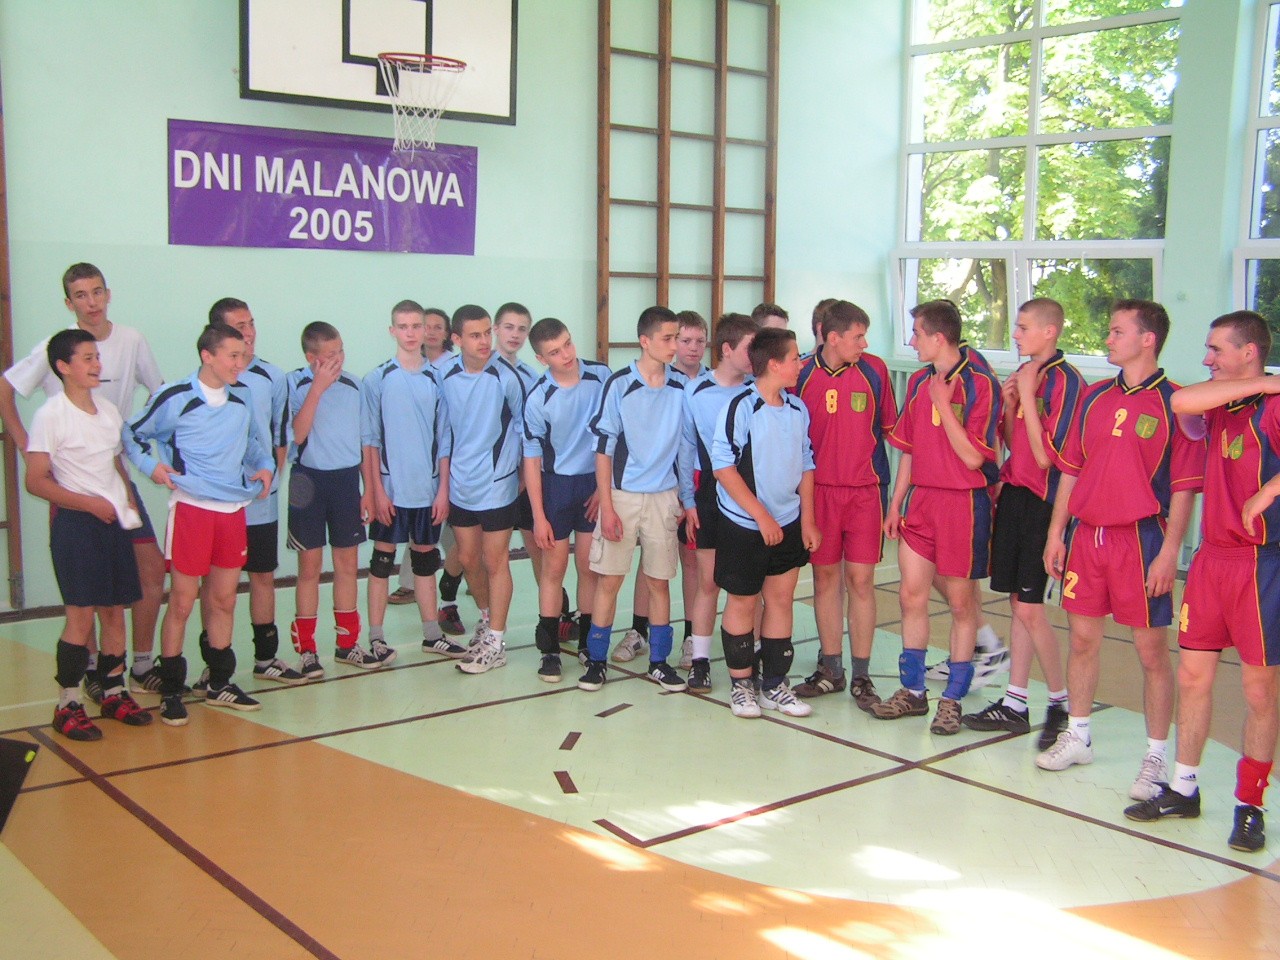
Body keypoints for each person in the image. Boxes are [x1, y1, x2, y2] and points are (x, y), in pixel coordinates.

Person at [1037, 299, 1202, 803]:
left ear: (1147, 339)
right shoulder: (1093, 397)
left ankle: (1156, 756)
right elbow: (1071, 469)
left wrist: (1169, 551)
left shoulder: (1177, 403)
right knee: (1082, 640)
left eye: (1116, 331)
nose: (1107, 339)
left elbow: (1184, 489)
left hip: (1141, 540)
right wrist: (1056, 532)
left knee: (1151, 652)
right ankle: (1078, 735)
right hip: (1088, 538)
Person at [1123, 310, 1276, 852]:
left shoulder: (1274, 410)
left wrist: (1269, 490)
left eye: (1217, 350)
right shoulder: (1219, 402)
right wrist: (1264, 382)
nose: (1207, 359)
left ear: (1248, 351)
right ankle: (1184, 788)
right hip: (1212, 560)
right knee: (1192, 677)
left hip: (1261, 563)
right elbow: (1180, 402)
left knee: (1258, 690)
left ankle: (1250, 805)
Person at [0, 263, 165, 701]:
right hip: (75, 487)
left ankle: (136, 667)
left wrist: (141, 450)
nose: (91, 302)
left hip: (114, 476)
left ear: (108, 294)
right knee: (84, 595)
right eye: (80, 295)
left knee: (145, 572)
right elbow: (6, 390)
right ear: (69, 302)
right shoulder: (57, 353)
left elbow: (160, 395)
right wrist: (28, 447)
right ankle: (83, 679)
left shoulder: (129, 345)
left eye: (97, 292)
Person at [124, 323, 274, 725]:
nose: (240, 363)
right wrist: (151, 466)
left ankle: (220, 682)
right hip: (192, 509)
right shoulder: (175, 397)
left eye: (243, 355)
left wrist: (264, 466)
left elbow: (254, 445)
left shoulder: (242, 398)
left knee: (224, 600)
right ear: (208, 355)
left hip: (232, 510)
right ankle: (172, 689)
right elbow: (131, 433)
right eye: (232, 356)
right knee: (182, 601)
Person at [877, 300, 1001, 735]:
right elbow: (909, 449)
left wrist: (944, 406)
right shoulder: (917, 382)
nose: (912, 341)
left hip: (963, 504)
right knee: (911, 596)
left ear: (938, 337)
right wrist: (896, 502)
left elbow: (974, 458)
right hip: (922, 502)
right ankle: (912, 691)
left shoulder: (981, 384)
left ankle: (952, 700)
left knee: (962, 605)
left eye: (916, 334)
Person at [962, 299, 1082, 745]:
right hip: (1015, 492)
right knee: (1017, 603)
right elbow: (1018, 446)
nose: (1016, 334)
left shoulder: (1066, 381)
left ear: (1050, 331)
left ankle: (1060, 703)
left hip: (1044, 501)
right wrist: (1013, 402)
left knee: (1031, 607)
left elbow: (1049, 457)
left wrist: (1027, 397)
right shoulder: (1027, 374)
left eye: (1024, 327)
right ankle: (1015, 702)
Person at [29, 330, 149, 739]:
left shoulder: (109, 412)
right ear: (63, 367)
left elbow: (115, 464)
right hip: (77, 527)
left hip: (112, 525)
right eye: (86, 358)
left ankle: (113, 692)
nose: (97, 364)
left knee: (114, 611)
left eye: (97, 356)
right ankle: (67, 703)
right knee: (80, 617)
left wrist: (127, 498)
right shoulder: (50, 415)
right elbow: (36, 481)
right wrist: (88, 504)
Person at [579, 306, 697, 693]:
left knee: (659, 583)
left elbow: (685, 449)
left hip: (664, 498)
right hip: (623, 496)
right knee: (610, 581)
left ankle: (659, 663)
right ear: (645, 341)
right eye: (668, 338)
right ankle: (596, 662)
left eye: (677, 337)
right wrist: (607, 506)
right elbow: (603, 451)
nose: (675, 345)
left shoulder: (681, 387)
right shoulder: (619, 385)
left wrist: (686, 499)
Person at [192, 298, 303, 687]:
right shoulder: (205, 382)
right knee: (214, 586)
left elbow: (280, 437)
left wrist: (270, 480)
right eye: (240, 326)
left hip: (259, 503)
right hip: (217, 504)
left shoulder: (272, 377)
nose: (250, 332)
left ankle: (266, 658)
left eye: (251, 323)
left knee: (262, 575)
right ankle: (214, 665)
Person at [792, 300, 896, 712]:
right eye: (858, 336)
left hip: (865, 493)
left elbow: (890, 430)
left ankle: (862, 674)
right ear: (833, 337)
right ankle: (831, 669)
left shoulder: (875, 371)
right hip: (819, 494)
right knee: (824, 580)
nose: (864, 344)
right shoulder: (801, 374)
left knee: (862, 582)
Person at [711, 327, 819, 718]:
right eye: (795, 358)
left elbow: (807, 464)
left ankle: (774, 684)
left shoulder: (797, 409)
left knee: (780, 600)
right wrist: (761, 516)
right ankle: (742, 686)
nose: (800, 364)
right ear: (774, 364)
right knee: (742, 600)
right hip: (744, 524)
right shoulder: (740, 406)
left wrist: (807, 520)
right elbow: (723, 467)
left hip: (788, 522)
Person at [362, 301, 461, 662]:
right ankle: (376, 638)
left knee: (425, 561)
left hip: (427, 491)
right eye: (402, 326)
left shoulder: (439, 380)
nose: (410, 333)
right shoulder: (377, 379)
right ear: (393, 331)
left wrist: (443, 491)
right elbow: (370, 441)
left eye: (416, 326)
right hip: (390, 491)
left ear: (425, 330)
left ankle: (432, 635)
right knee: (381, 563)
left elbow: (445, 441)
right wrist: (375, 492)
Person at [611, 309, 707, 666]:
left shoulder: (707, 384)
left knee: (688, 562)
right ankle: (639, 630)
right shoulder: (653, 381)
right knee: (649, 563)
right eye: (683, 340)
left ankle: (690, 637)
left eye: (699, 341)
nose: (691, 347)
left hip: (693, 483)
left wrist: (688, 495)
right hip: (654, 487)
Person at [437, 304, 526, 674]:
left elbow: (526, 430)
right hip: (461, 485)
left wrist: (522, 478)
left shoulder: (507, 377)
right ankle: (487, 619)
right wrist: (443, 487)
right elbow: (444, 433)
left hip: (498, 486)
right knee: (468, 558)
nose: (484, 340)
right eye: (475, 335)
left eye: (487, 332)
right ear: (457, 339)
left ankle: (496, 641)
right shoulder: (444, 375)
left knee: (495, 560)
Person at [522, 317, 611, 681]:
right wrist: (538, 516)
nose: (566, 354)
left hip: (592, 484)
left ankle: (589, 645)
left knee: (589, 567)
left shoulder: (601, 377)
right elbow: (531, 460)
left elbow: (614, 437)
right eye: (555, 352)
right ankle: (549, 651)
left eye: (568, 344)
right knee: (553, 569)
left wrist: (602, 490)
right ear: (542, 359)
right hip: (556, 487)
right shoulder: (538, 397)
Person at [286, 321, 375, 678]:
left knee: (347, 564)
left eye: (340, 352)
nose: (338, 360)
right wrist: (318, 389)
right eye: (329, 356)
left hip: (345, 480)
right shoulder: (294, 385)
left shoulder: (355, 386)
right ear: (312, 358)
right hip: (306, 480)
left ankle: (348, 643)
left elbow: (366, 441)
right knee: (309, 567)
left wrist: (368, 489)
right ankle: (307, 650)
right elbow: (296, 435)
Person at [680, 313, 758, 693]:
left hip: (750, 493)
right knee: (708, 581)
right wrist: (687, 499)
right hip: (709, 490)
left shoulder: (758, 390)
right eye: (749, 348)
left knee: (749, 586)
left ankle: (750, 658)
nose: (756, 356)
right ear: (727, 349)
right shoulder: (697, 392)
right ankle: (700, 662)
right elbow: (685, 447)